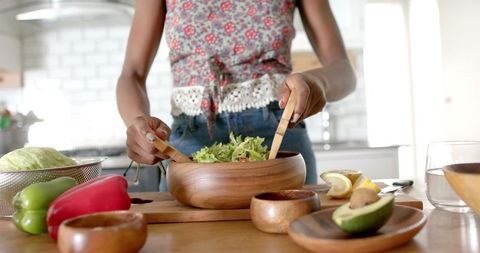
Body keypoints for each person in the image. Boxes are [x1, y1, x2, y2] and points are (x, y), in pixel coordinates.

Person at [116, 0, 356, 190]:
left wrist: (319, 83)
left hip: (280, 140)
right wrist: (138, 123)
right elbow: (132, 75)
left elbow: (344, 71)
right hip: (190, 148)